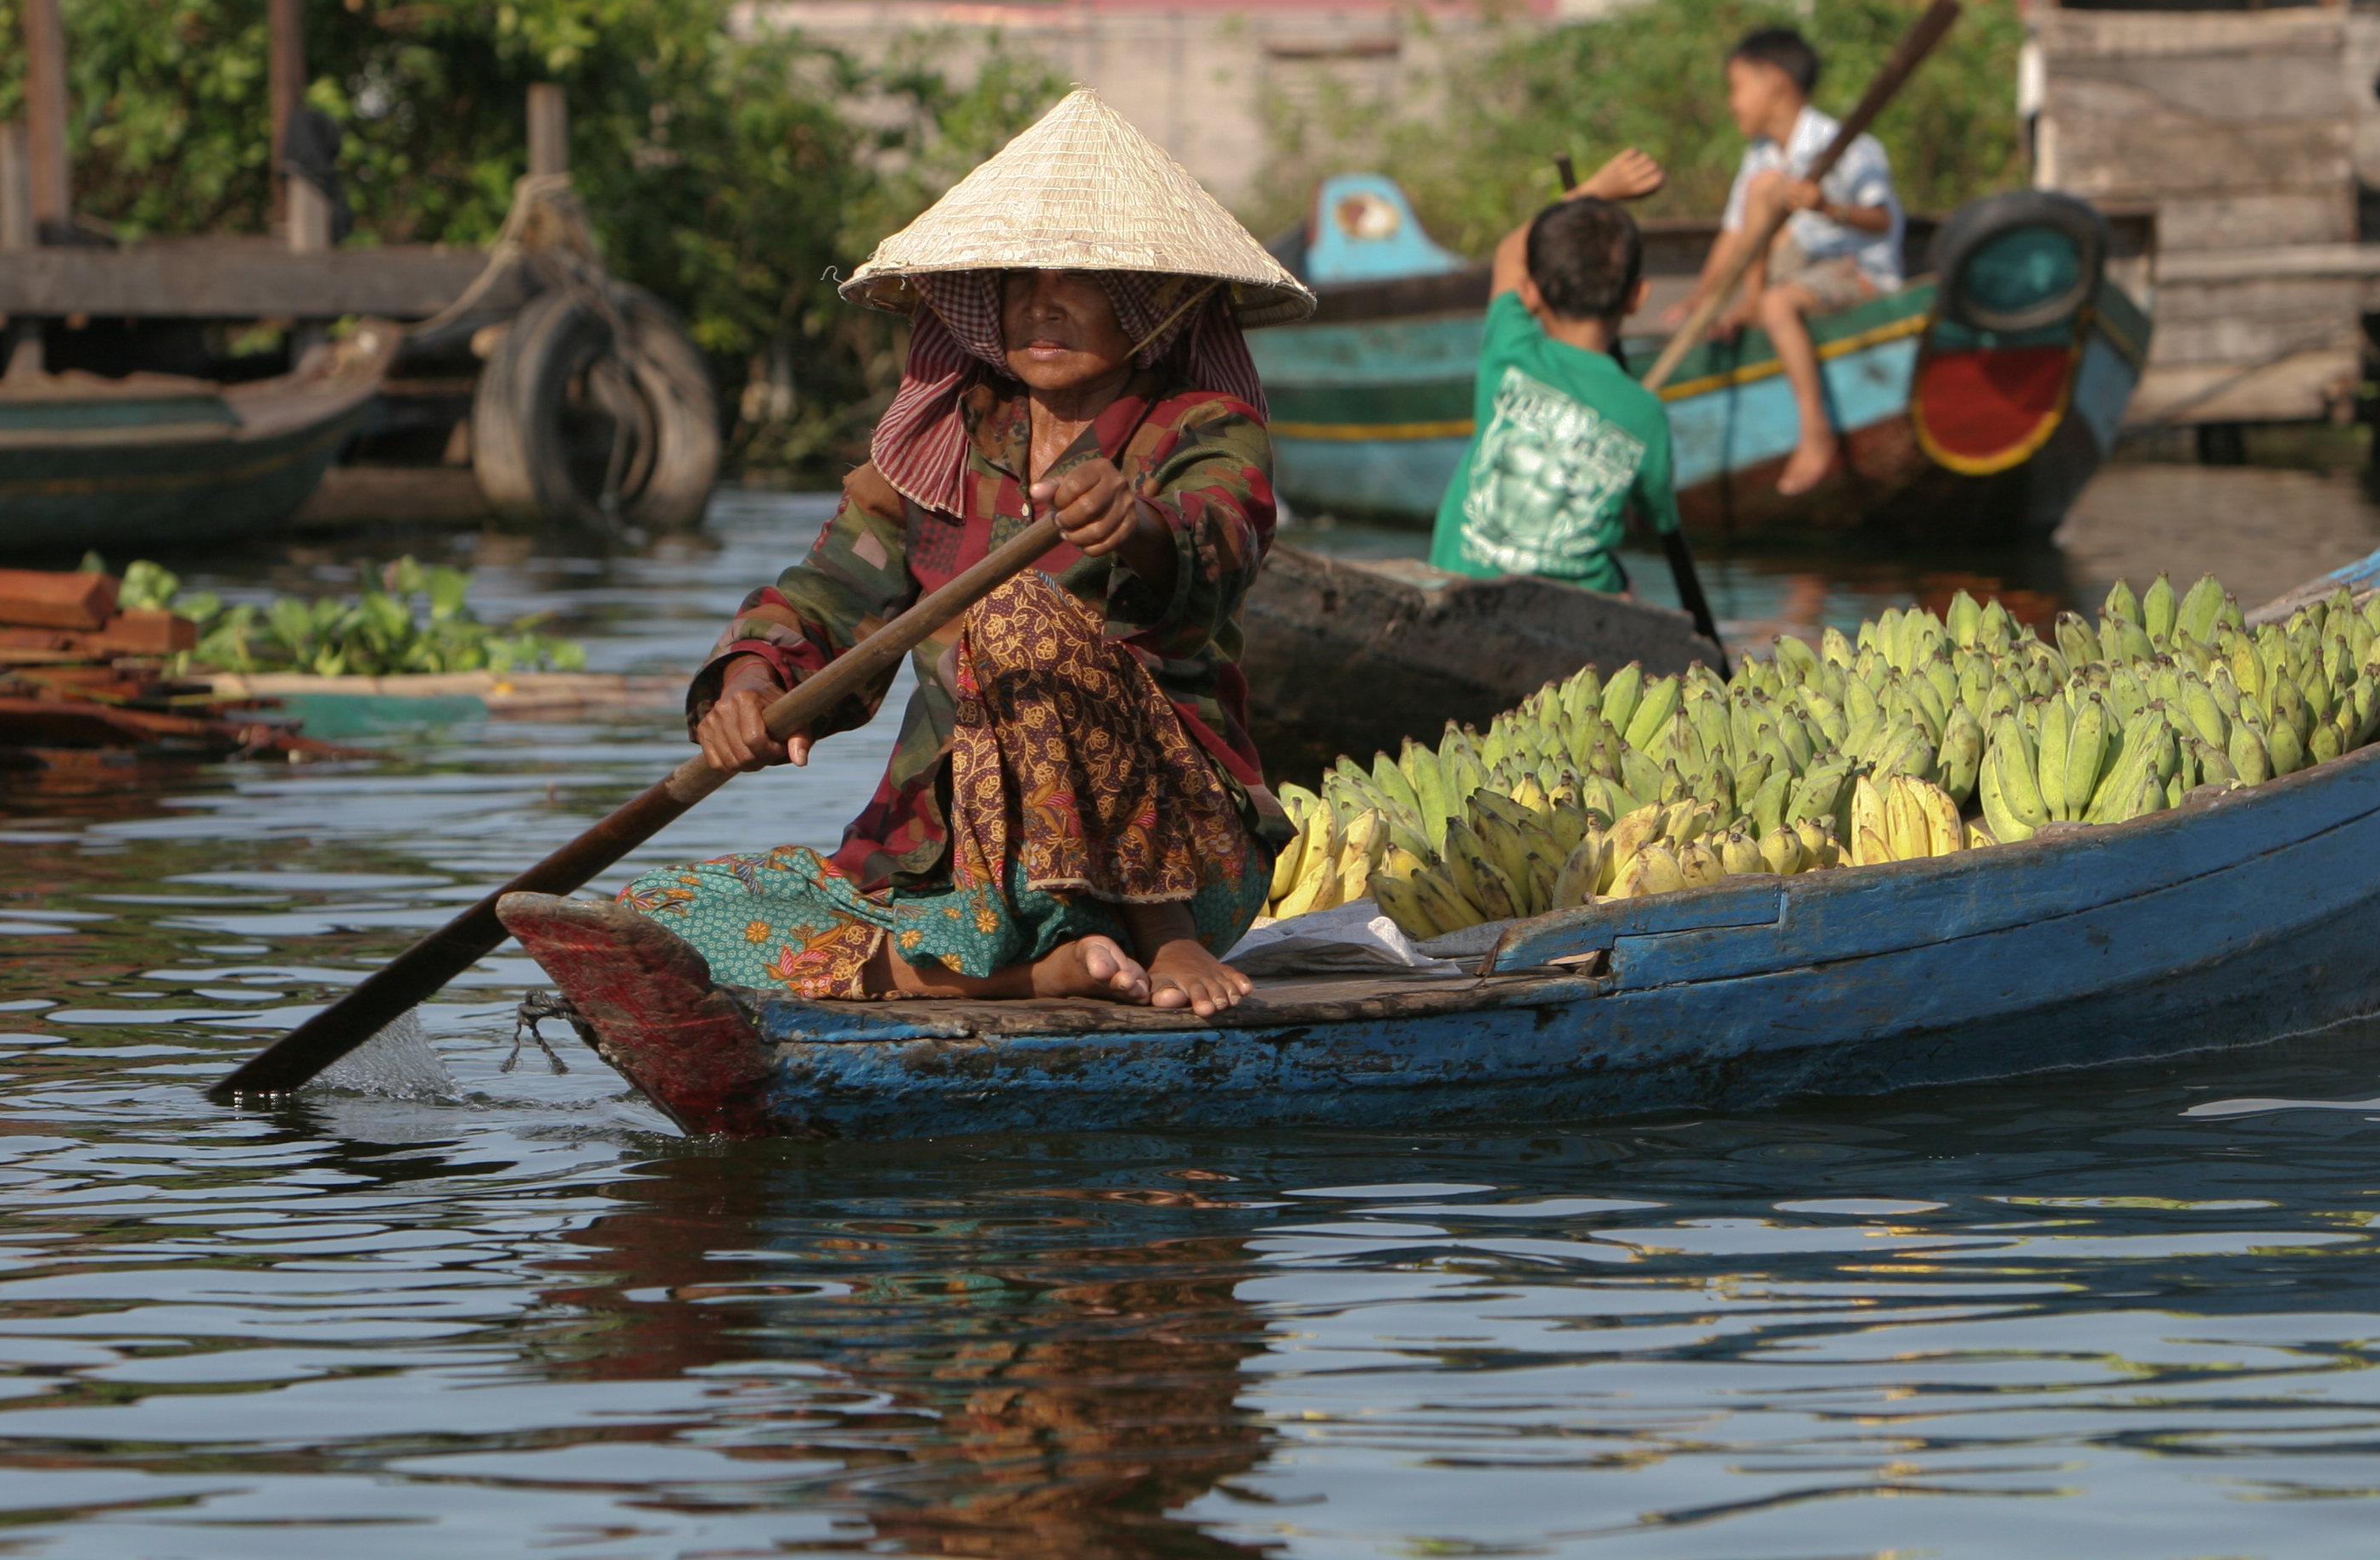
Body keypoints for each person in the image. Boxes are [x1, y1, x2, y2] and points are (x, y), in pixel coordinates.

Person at [573, 89, 1313, 1020]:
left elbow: (1222, 536)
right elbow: (825, 595)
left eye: (1075, 277)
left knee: (1018, 612)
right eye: (1016, 277)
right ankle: (1039, 972)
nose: (1038, 302)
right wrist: (751, 679)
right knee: (659, 921)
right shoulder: (948, 441)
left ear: (1156, 302)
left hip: (1176, 848)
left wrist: (1138, 525)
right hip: (960, 859)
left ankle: (1156, 932)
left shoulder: (1201, 430)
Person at [1430, 147, 1683, 594]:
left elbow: (1512, 250)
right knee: (1626, 588)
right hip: (1579, 606)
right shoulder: (1645, 412)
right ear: (1637, 297)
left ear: (1530, 293)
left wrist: (1597, 190)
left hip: (1458, 585)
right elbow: (1657, 516)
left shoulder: (1512, 352)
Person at [1671, 26, 1905, 497]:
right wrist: (1700, 300)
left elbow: (1882, 221)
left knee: (1779, 305)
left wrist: (1826, 207)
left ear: (1773, 82)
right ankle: (1752, 303)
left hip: (1856, 271)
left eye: (1737, 88)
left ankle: (1814, 430)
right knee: (1763, 190)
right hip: (1801, 266)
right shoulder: (1760, 156)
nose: (1732, 103)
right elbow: (1736, 235)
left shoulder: (1847, 145)